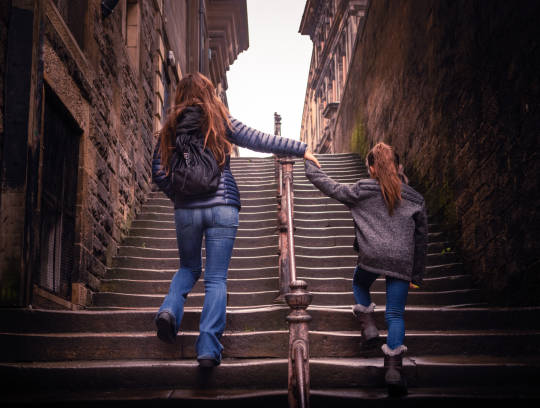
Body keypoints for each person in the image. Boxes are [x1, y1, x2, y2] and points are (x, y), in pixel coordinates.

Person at [152, 72, 320, 368]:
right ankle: (207, 347)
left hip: (186, 210)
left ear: (179, 95)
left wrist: (179, 194)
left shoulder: (170, 128)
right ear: (208, 93)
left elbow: (158, 171)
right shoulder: (219, 118)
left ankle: (169, 311)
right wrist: (300, 148)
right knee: (216, 278)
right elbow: (257, 139)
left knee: (188, 268)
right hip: (223, 204)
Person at [304, 142, 427, 396]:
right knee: (395, 315)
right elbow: (422, 238)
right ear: (397, 166)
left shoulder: (363, 189)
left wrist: (310, 165)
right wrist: (416, 274)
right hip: (402, 260)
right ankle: (393, 370)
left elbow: (332, 188)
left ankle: (368, 325)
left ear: (371, 168)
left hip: (372, 255)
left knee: (360, 283)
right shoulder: (415, 198)